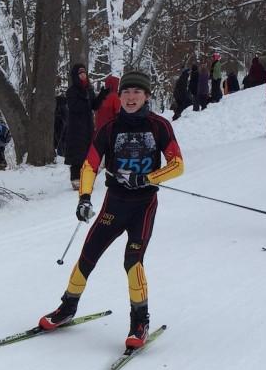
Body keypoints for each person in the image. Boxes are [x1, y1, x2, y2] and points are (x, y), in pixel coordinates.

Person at [39, 70, 184, 349]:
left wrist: (147, 178)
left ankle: (139, 322)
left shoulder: (159, 126)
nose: (131, 98)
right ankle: (67, 308)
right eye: (126, 92)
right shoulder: (109, 128)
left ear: (147, 96)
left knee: (133, 262)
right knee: (87, 255)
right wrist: (84, 198)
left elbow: (178, 164)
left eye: (137, 93)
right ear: (120, 97)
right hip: (114, 204)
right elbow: (90, 165)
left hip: (143, 205)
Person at [64, 64, 105, 189]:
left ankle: (86, 177)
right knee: (78, 153)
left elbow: (94, 106)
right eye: (80, 74)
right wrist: (85, 99)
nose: (83, 76)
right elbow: (74, 107)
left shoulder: (88, 89)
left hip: (87, 126)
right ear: (76, 76)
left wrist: (102, 96)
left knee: (88, 153)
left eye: (84, 73)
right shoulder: (72, 91)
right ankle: (76, 179)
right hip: (76, 127)